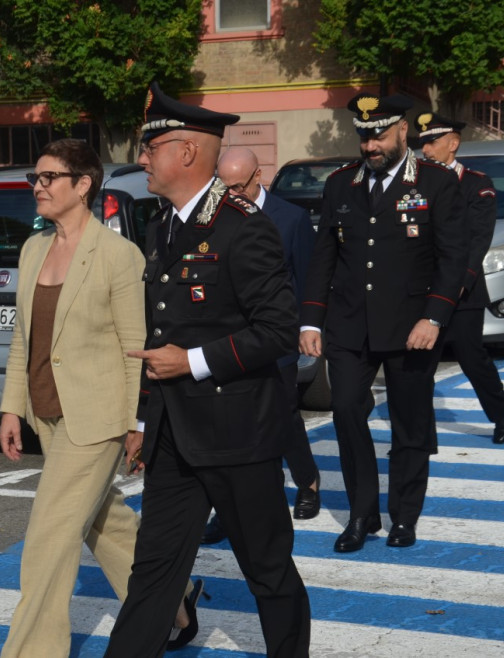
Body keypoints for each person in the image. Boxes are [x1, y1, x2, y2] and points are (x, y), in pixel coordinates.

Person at [104, 82, 310, 658]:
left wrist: (192, 362)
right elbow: (160, 334)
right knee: (154, 571)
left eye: (151, 148)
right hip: (175, 434)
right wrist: (142, 421)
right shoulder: (161, 225)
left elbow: (278, 329)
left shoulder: (244, 225)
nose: (142, 158)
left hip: (237, 433)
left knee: (268, 570)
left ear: (188, 152)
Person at [0, 138, 199, 657]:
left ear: (83, 184)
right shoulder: (33, 249)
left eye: (48, 178)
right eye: (35, 178)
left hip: (97, 416)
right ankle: (172, 599)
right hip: (46, 412)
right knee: (103, 522)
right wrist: (11, 407)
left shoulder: (117, 254)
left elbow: (137, 346)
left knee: (49, 540)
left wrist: (138, 422)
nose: (38, 187)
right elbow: (24, 338)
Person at [299, 94, 468, 552]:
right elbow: (324, 256)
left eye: (378, 136)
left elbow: (453, 259)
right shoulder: (341, 184)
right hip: (350, 324)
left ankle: (404, 515)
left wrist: (434, 316)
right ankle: (362, 513)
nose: (369, 145)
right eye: (363, 136)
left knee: (409, 423)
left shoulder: (435, 182)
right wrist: (311, 320)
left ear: (402, 131)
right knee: (346, 411)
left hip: (413, 327)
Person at [201, 146, 321, 545]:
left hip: (277, 337)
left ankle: (308, 482)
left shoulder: (291, 218)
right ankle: (232, 508)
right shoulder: (214, 215)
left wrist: (306, 327)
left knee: (283, 414)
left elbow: (307, 278)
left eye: (239, 186)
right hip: (231, 338)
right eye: (225, 187)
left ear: (258, 177)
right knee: (232, 423)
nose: (232, 194)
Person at [418, 113, 504, 445]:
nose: (426, 150)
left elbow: (478, 240)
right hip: (423, 289)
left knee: (471, 358)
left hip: (463, 291)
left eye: (432, 142)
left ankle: (502, 410)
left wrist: (460, 282)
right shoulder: (416, 184)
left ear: (453, 143)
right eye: (423, 144)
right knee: (419, 365)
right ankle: (417, 435)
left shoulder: (476, 184)